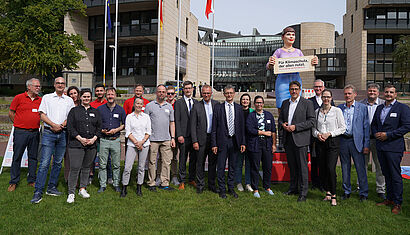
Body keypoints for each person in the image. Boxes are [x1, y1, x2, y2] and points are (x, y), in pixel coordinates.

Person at [31, 77, 75, 204]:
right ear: (54, 85)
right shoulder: (47, 98)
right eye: (58, 83)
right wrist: (53, 125)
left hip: (63, 133)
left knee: (57, 162)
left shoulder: (69, 100)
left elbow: (70, 116)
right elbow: (42, 114)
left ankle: (51, 187)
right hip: (49, 133)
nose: (60, 85)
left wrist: (61, 125)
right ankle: (38, 191)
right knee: (44, 163)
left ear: (65, 85)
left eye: (62, 83)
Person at [372, 85, 410, 215]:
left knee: (395, 175)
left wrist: (388, 135)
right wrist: (377, 134)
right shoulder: (379, 108)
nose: (388, 94)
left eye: (391, 92)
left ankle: (398, 202)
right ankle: (389, 198)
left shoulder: (402, 108)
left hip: (393, 147)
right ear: (383, 93)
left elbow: (406, 127)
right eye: (386, 92)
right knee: (386, 173)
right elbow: (374, 125)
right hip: (381, 146)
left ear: (396, 94)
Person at [278, 81, 315, 202]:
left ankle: (303, 192)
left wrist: (296, 127)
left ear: (300, 90)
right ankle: (293, 188)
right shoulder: (285, 103)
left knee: (302, 167)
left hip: (301, 139)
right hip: (288, 140)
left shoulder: (307, 103)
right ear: (289, 90)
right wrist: (283, 124)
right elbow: (280, 120)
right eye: (291, 89)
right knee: (292, 166)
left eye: (296, 89)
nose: (294, 91)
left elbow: (311, 121)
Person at [266, 26, 318, 110]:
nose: (291, 36)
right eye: (288, 34)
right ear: (283, 37)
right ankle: (282, 122)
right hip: (282, 82)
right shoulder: (278, 51)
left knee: (296, 105)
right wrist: (271, 64)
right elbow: (268, 65)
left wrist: (313, 62)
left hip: (296, 81)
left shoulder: (298, 52)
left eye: (293, 35)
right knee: (281, 105)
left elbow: (306, 64)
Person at [66, 88, 102, 203]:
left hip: (91, 145)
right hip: (76, 144)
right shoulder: (74, 111)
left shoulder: (95, 112)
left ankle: (82, 188)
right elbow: (70, 127)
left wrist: (94, 139)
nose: (86, 98)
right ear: (80, 97)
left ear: (91, 98)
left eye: (88, 96)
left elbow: (99, 128)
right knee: (75, 168)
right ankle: (71, 192)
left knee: (86, 167)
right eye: (84, 96)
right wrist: (80, 138)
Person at [211, 85, 246, 199]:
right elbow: (214, 128)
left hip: (235, 141)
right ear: (224, 94)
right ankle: (222, 189)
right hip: (222, 141)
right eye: (227, 93)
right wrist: (214, 144)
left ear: (234, 93)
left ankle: (230, 188)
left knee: (233, 166)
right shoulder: (218, 108)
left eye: (231, 93)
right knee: (221, 166)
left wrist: (242, 142)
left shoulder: (239, 108)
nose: (229, 95)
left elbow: (242, 127)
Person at [312, 89, 346, 206]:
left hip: (332, 143)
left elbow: (342, 128)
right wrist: (318, 134)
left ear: (331, 98)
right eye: (324, 97)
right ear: (321, 98)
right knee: (322, 169)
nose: (326, 99)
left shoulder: (337, 111)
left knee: (331, 168)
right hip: (320, 143)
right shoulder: (317, 111)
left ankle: (334, 195)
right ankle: (327, 192)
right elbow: (314, 129)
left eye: (328, 97)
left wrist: (330, 133)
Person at [8, 78, 42, 192]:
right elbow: (11, 113)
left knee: (33, 157)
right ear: (29, 87)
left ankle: (31, 180)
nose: (38, 88)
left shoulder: (40, 100)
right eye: (36, 86)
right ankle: (13, 181)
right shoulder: (19, 97)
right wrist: (18, 124)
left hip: (35, 132)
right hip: (21, 132)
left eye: (39, 86)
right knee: (17, 156)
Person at [338, 84, 370, 201]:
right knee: (345, 168)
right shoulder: (339, 108)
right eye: (345, 93)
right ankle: (347, 191)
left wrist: (366, 145)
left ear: (355, 94)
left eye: (349, 93)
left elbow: (366, 128)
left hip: (357, 142)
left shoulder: (362, 108)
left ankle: (363, 193)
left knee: (360, 168)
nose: (347, 95)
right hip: (343, 141)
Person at [145, 85, 176, 191]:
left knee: (166, 162)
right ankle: (151, 183)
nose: (161, 93)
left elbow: (172, 123)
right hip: (153, 139)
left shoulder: (169, 106)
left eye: (164, 92)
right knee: (152, 162)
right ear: (156, 92)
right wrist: (147, 138)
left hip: (166, 139)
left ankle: (164, 183)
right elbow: (146, 123)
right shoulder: (149, 106)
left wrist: (173, 137)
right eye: (159, 91)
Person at [190, 85, 219, 194]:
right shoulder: (196, 106)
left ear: (211, 93)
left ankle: (212, 185)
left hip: (213, 139)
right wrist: (195, 141)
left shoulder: (216, 105)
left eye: (208, 93)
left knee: (212, 163)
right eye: (204, 93)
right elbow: (192, 125)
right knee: (200, 163)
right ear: (201, 93)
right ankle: (200, 185)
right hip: (201, 139)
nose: (206, 95)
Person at [96, 87, 126, 193]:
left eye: (112, 94)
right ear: (105, 95)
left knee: (116, 164)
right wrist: (102, 130)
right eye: (108, 94)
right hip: (104, 140)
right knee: (102, 164)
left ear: (115, 95)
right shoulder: (100, 109)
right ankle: (102, 185)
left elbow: (124, 124)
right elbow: (97, 124)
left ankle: (116, 183)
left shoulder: (120, 109)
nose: (110, 96)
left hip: (115, 140)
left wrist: (116, 130)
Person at [359, 83, 386, 199]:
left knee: (379, 165)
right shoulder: (360, 104)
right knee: (362, 165)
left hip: (378, 139)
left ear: (378, 93)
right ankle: (361, 187)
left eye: (374, 91)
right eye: (370, 91)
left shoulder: (383, 104)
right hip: (363, 139)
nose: (372, 93)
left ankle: (381, 189)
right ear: (367, 92)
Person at [246, 96, 277, 198]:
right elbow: (249, 129)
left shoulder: (269, 115)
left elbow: (273, 131)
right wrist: (262, 132)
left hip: (267, 144)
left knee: (267, 167)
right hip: (255, 144)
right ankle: (255, 189)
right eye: (257, 103)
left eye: (261, 103)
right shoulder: (251, 116)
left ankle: (267, 187)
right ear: (254, 104)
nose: (259, 104)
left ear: (263, 104)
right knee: (255, 167)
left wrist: (273, 144)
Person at [121, 98, 151, 197]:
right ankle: (124, 187)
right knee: (127, 167)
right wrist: (136, 143)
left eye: (141, 104)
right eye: (137, 103)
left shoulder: (146, 117)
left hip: (144, 144)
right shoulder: (129, 117)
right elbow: (128, 131)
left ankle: (139, 187)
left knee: (141, 167)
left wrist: (141, 142)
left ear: (143, 105)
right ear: (134, 104)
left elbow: (148, 131)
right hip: (132, 144)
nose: (139, 105)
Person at [308, 79, 334, 191]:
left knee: (325, 162)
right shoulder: (309, 101)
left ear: (323, 87)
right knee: (314, 161)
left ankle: (325, 183)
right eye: (316, 87)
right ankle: (315, 183)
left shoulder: (329, 101)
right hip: (314, 136)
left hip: (327, 137)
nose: (318, 89)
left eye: (320, 87)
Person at [175, 81, 198, 190]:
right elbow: (177, 120)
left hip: (194, 137)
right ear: (183, 90)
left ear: (192, 89)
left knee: (193, 159)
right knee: (183, 159)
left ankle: (192, 179)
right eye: (186, 88)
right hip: (183, 136)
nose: (188, 90)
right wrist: (179, 134)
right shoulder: (178, 103)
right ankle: (182, 180)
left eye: (190, 88)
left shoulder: (196, 102)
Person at [89, 84, 112, 185]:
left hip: (106, 135)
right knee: (92, 156)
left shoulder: (109, 103)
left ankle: (109, 176)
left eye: (101, 91)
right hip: (94, 134)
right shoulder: (92, 104)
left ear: (104, 92)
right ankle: (91, 176)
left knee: (107, 157)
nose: (99, 92)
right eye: (97, 91)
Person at [235, 93, 254, 192]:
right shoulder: (237, 111)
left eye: (247, 99)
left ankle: (248, 183)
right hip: (239, 142)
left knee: (248, 164)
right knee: (238, 163)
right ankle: (238, 182)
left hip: (250, 141)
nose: (245, 101)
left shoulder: (252, 112)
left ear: (249, 101)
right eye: (243, 99)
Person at [64, 86, 80, 183]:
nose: (73, 95)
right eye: (71, 94)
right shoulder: (66, 104)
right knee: (68, 157)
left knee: (79, 157)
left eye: (75, 93)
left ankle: (79, 179)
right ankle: (67, 178)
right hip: (68, 133)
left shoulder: (82, 104)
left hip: (80, 133)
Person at [165, 85, 179, 185]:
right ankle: (161, 176)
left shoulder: (178, 105)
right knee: (162, 157)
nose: (170, 95)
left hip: (176, 134)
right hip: (164, 134)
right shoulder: (163, 104)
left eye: (172, 93)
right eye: (168, 93)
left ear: (175, 94)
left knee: (174, 157)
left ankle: (174, 175)